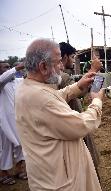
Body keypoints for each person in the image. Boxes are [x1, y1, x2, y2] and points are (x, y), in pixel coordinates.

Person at [15, 38, 105, 191]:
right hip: (61, 180)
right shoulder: (40, 98)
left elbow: (55, 95)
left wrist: (78, 86)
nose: (62, 66)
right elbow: (81, 125)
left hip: (50, 172)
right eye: (58, 62)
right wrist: (96, 102)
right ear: (43, 66)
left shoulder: (29, 87)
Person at [58, 42, 101, 180]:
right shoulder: (62, 77)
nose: (72, 60)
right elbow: (82, 92)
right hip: (74, 123)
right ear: (64, 57)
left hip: (64, 127)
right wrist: (95, 71)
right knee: (87, 161)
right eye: (71, 56)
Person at [0, 62, 27, 185]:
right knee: (5, 148)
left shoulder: (17, 81)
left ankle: (19, 170)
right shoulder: (1, 83)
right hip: (4, 124)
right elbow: (4, 77)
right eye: (6, 67)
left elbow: (28, 79)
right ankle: (3, 173)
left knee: (21, 145)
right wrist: (17, 67)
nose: (9, 69)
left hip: (18, 122)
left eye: (9, 67)